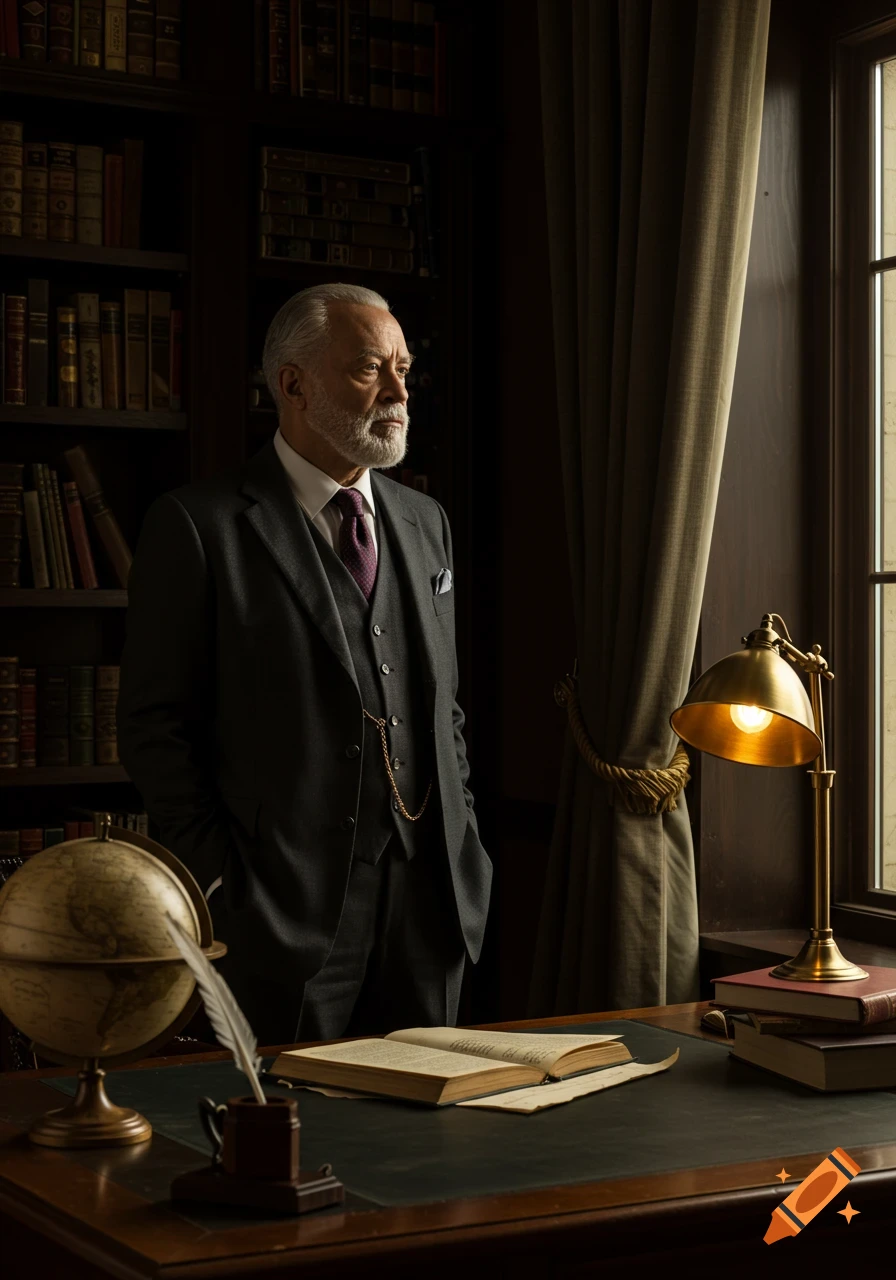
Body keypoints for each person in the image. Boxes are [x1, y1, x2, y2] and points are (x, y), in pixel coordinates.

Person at [117, 282, 492, 1045]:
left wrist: (465, 841)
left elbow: (443, 707)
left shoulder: (427, 523)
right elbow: (156, 728)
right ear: (293, 383)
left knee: (425, 1152)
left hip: (431, 906)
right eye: (368, 369)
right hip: (278, 918)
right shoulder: (198, 526)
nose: (397, 392)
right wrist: (221, 884)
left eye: (403, 370)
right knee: (289, 1145)